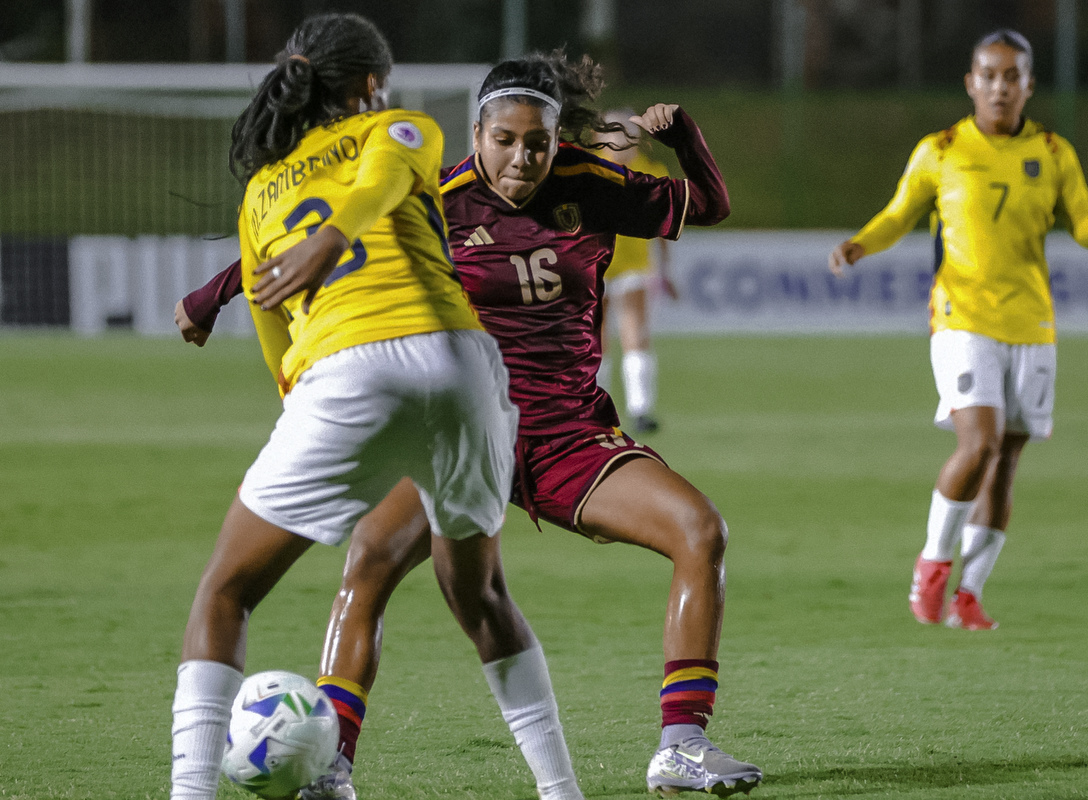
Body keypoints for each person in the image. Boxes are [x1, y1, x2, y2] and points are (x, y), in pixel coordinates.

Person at [178, 50, 762, 799]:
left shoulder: (593, 184)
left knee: (699, 530)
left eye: (538, 143)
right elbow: (318, 242)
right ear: (477, 133)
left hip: (566, 437)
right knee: (368, 569)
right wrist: (214, 292)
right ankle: (332, 768)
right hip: (459, 425)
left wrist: (685, 136)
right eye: (505, 140)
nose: (522, 158)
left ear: (558, 138)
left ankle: (681, 746)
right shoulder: (437, 198)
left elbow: (707, 205)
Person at [168, 15, 585, 800]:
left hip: (348, 372)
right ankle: (563, 793)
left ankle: (188, 794)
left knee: (225, 591)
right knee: (481, 592)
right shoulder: (403, 125)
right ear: (368, 85)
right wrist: (336, 236)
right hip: (464, 367)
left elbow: (272, 329)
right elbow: (384, 181)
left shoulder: (262, 192)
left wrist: (308, 392)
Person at [828, 29, 1088, 630]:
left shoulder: (1054, 150)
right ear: (970, 83)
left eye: (1012, 76)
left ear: (1029, 85)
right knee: (979, 443)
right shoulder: (940, 149)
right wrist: (861, 244)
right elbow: (898, 214)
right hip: (961, 315)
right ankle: (933, 564)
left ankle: (970, 593)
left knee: (1007, 460)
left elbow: (1081, 225)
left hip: (1032, 322)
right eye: (988, 75)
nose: (1000, 86)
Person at [591, 108, 678, 433]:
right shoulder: (587, 170)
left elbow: (662, 225)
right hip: (595, 266)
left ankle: (640, 409)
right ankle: (596, 410)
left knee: (635, 335)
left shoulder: (651, 170)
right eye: (615, 130)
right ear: (600, 135)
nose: (622, 137)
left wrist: (665, 269)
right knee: (595, 341)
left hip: (633, 266)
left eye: (628, 131)